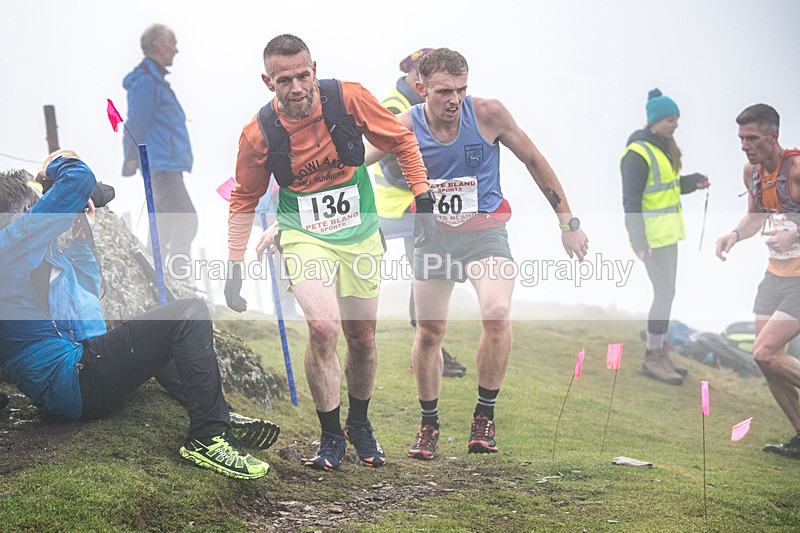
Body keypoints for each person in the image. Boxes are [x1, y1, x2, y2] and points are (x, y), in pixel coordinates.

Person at [367, 48, 588, 459]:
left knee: (497, 313)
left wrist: (567, 222)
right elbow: (356, 163)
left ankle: (483, 418)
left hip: (485, 234)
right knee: (430, 332)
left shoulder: (488, 114)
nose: (455, 99)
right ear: (421, 89)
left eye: (462, 89)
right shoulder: (403, 124)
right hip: (432, 237)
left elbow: (535, 161)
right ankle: (428, 424)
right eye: (444, 91)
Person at [224, 34, 433, 471]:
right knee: (323, 327)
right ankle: (331, 435)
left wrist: (423, 194)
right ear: (268, 82)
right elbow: (243, 200)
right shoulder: (258, 134)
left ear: (314, 69)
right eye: (285, 80)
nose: (297, 87)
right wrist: (234, 266)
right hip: (303, 232)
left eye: (303, 75)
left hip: (359, 229)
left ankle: (359, 423)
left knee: (363, 338)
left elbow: (400, 139)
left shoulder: (348, 97)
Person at [0, 156, 276, 479]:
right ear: (21, 214)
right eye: (37, 206)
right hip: (73, 382)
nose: (43, 211)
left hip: (74, 380)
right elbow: (79, 176)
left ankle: (220, 414)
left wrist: (80, 237)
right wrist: (52, 167)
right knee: (190, 314)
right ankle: (208, 436)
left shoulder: (26, 257)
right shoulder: (10, 246)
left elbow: (87, 303)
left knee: (159, 333)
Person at [372, 48, 466, 378]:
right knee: (425, 274)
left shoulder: (420, 103)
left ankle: (429, 349)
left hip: (416, 203)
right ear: (414, 75)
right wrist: (428, 180)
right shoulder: (395, 106)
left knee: (427, 273)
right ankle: (426, 353)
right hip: (403, 206)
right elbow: (388, 160)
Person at [716, 103, 800, 458]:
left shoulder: (796, 169)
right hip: (774, 276)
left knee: (764, 351)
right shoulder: (752, 172)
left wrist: (795, 236)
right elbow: (754, 217)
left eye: (751, 137)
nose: (745, 145)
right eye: (740, 138)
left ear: (773, 135)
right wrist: (734, 235)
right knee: (766, 362)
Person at [621, 88, 709, 386]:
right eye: (671, 119)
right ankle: (652, 357)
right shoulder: (638, 153)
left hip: (668, 236)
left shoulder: (663, 149)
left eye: (677, 119)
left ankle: (660, 351)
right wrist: (639, 241)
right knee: (664, 293)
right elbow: (630, 201)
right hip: (652, 239)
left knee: (667, 292)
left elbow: (669, 187)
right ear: (655, 120)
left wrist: (692, 182)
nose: (676, 124)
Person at [122, 24, 198, 282]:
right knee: (186, 219)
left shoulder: (155, 80)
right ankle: (179, 279)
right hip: (161, 164)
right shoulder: (146, 81)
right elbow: (136, 120)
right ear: (157, 45)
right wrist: (131, 156)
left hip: (167, 163)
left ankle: (156, 278)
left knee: (165, 223)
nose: (177, 49)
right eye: (173, 43)